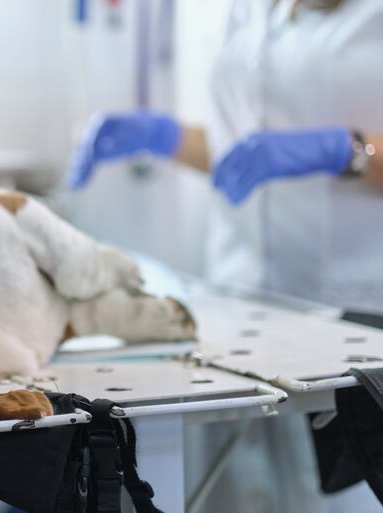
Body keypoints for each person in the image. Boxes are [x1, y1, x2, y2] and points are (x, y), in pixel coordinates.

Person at [69, 0, 383, 511]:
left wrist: (347, 149)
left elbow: (302, 148)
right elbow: (247, 156)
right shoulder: (247, 12)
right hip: (245, 306)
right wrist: (165, 137)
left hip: (360, 314)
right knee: (235, 492)